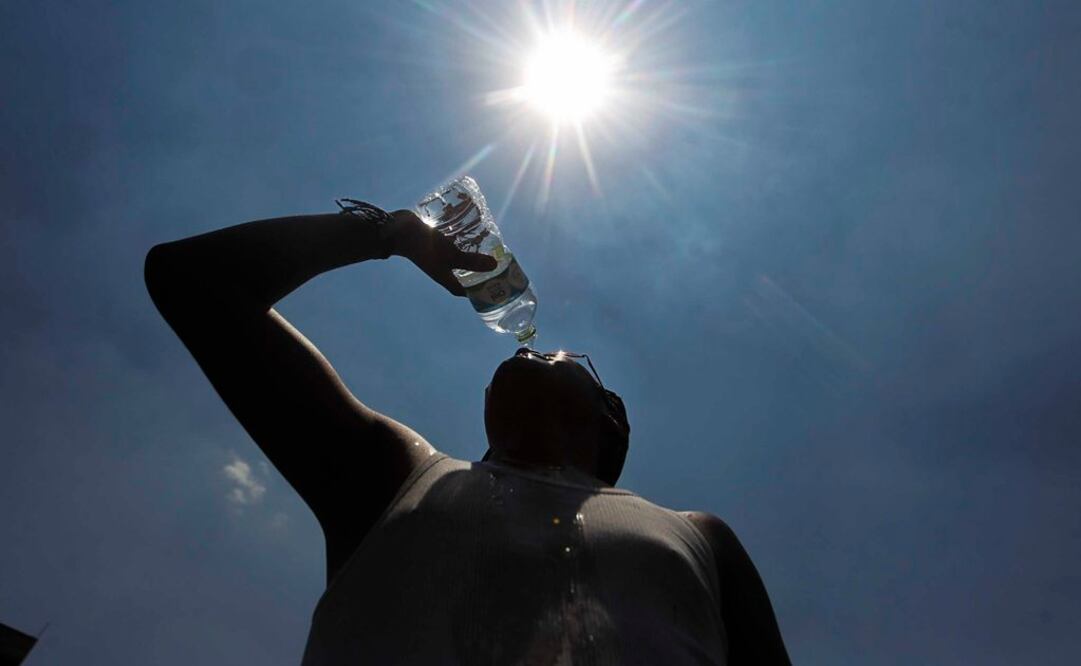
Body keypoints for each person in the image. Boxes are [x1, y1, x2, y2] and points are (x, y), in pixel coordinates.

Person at [144, 204, 791, 665]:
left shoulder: (700, 538)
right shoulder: (399, 480)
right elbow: (192, 279)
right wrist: (391, 234)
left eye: (568, 360)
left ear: (610, 417)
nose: (540, 354)